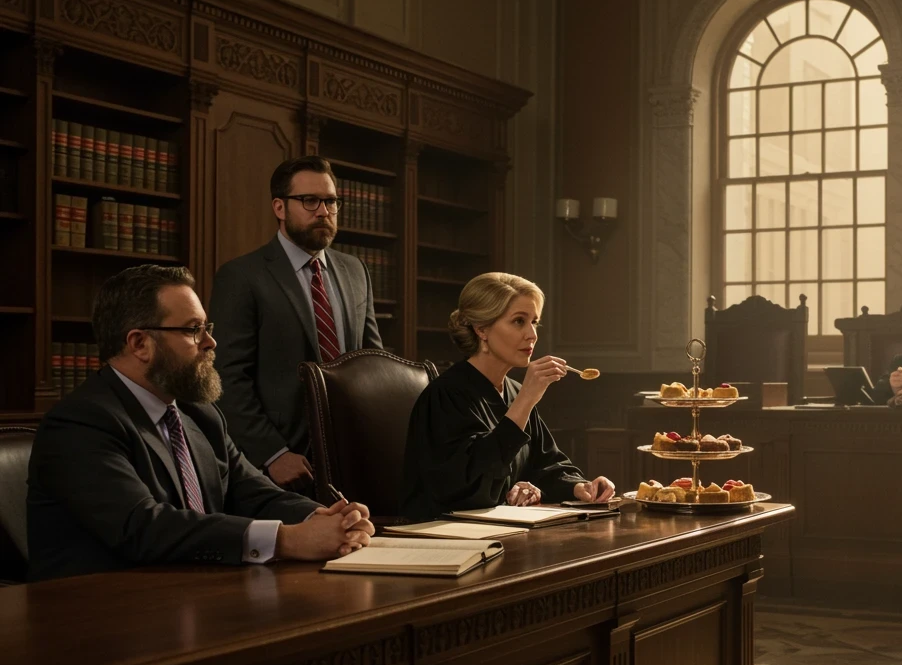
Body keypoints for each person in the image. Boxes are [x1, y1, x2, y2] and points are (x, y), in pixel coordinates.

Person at [25, 265, 375, 581]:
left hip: (194, 596)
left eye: (206, 328)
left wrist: (327, 519)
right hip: (99, 619)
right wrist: (287, 540)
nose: (211, 342)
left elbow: (255, 494)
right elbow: (144, 527)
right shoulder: (80, 423)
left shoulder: (200, 414)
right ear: (140, 343)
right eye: (194, 330)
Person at [208, 155, 381, 492]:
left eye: (331, 201)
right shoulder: (242, 276)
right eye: (309, 200)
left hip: (354, 456)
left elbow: (372, 363)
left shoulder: (355, 271)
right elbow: (226, 377)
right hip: (283, 464)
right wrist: (272, 454)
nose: (323, 211)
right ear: (279, 207)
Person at [401, 272, 615, 521]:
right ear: (481, 329)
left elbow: (545, 464)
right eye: (518, 321)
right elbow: (467, 489)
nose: (532, 334)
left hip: (503, 532)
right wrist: (526, 400)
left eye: (534, 322)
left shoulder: (514, 390)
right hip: (442, 538)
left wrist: (580, 487)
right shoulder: (445, 396)